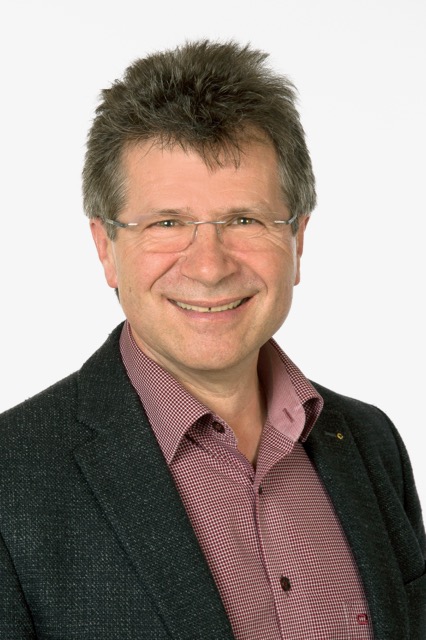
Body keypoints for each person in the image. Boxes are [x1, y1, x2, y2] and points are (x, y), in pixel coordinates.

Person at [0, 40, 424, 640]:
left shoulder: (370, 442)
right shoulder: (13, 478)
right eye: (167, 222)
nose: (209, 266)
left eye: (244, 220)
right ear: (106, 247)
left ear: (298, 240)